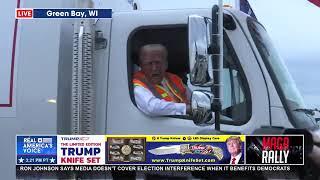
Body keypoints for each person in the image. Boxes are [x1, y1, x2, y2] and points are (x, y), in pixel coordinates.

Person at [133, 44, 191, 116]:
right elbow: (152, 107)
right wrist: (186, 109)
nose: (154, 68)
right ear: (141, 66)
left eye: (158, 63)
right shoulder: (137, 85)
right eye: (149, 64)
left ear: (166, 64)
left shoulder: (174, 78)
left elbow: (192, 99)